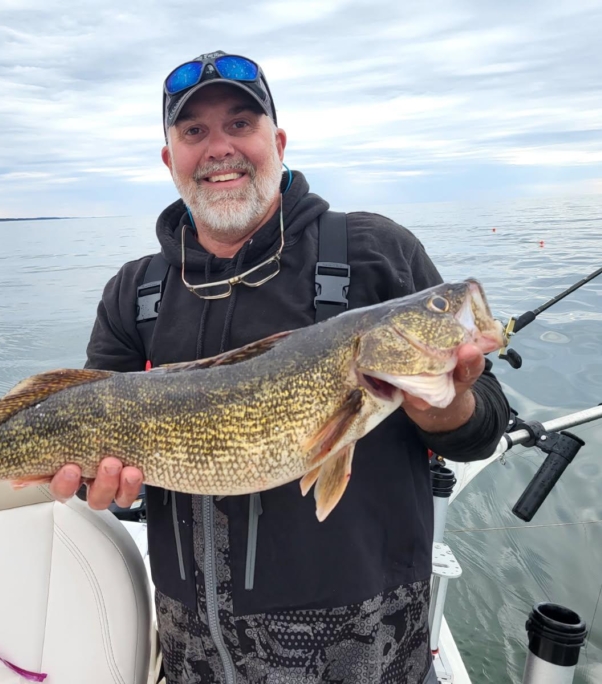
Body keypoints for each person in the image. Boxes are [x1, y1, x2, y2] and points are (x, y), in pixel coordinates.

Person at [50, 51, 510, 683]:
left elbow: (486, 425)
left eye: (240, 124)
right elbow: (85, 429)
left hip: (365, 642)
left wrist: (448, 407)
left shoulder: (377, 251)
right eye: (194, 131)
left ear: (279, 142)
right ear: (169, 159)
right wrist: (94, 483)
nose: (219, 148)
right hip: (191, 644)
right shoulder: (134, 291)